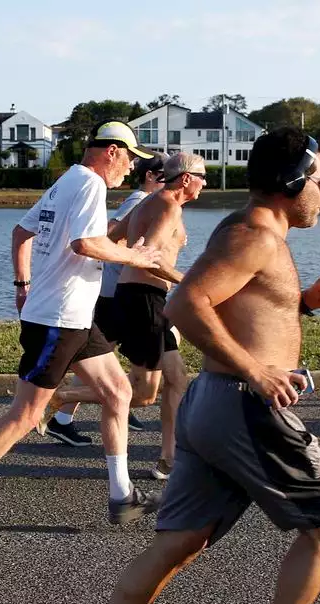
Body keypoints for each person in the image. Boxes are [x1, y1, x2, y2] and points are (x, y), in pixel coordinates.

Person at [55, 128, 320, 604]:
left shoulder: (261, 233)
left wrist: (303, 305)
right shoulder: (254, 233)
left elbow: (237, 305)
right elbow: (185, 304)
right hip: (243, 403)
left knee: (179, 542)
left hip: (216, 403)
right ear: (294, 182)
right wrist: (259, 373)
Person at [0, 121, 175, 545]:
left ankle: (121, 494)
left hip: (71, 316)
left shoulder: (66, 182)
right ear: (111, 151)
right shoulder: (91, 185)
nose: (131, 169)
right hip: (59, 319)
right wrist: (137, 256)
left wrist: (22, 286)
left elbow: (21, 233)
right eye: (130, 158)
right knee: (26, 415)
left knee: (118, 392)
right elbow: (86, 245)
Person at [47, 153, 206, 481]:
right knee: (146, 394)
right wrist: (190, 282)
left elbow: (113, 233)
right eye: (203, 176)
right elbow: (151, 260)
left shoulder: (148, 202)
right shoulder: (168, 206)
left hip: (132, 296)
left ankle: (169, 460)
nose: (206, 182)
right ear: (187, 178)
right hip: (146, 300)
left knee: (176, 378)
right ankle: (61, 396)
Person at [46, 154, 167, 447]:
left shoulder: (151, 203)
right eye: (162, 175)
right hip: (115, 290)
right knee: (97, 355)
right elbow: (109, 233)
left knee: (102, 354)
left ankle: (68, 417)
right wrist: (130, 254)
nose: (167, 181)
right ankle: (63, 412)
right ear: (150, 177)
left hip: (118, 290)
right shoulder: (139, 199)